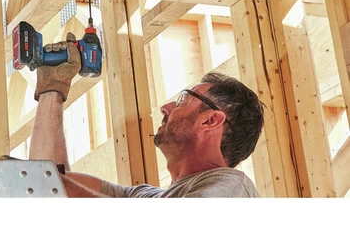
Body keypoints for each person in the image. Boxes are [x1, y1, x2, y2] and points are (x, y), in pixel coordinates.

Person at [29, 33, 265, 198]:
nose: (165, 108)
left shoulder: (234, 189)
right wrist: (53, 87)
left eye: (183, 100)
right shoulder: (144, 197)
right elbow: (52, 183)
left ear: (210, 120)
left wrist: (45, 181)